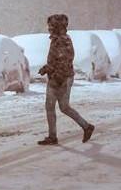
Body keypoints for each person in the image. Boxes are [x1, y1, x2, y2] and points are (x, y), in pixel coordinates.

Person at [37, 14, 95, 145]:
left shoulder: (61, 40)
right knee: (54, 107)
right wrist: (47, 68)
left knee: (61, 107)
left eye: (51, 26)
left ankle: (85, 127)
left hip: (61, 78)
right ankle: (54, 136)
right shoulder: (59, 39)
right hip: (59, 77)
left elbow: (64, 62)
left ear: (57, 26)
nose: (49, 28)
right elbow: (57, 61)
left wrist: (57, 77)